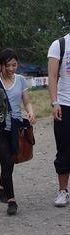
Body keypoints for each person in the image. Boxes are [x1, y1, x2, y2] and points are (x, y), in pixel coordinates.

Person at [0, 48, 35, 215]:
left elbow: (26, 101)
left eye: (14, 65)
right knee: (7, 161)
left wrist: (30, 111)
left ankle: (1, 188)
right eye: (7, 65)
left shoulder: (21, 80)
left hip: (15, 128)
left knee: (11, 161)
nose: (11, 68)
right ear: (0, 65)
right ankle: (11, 200)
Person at [48, 33, 70, 207]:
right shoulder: (60, 45)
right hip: (64, 104)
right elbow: (53, 76)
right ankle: (63, 191)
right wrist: (54, 102)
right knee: (64, 149)